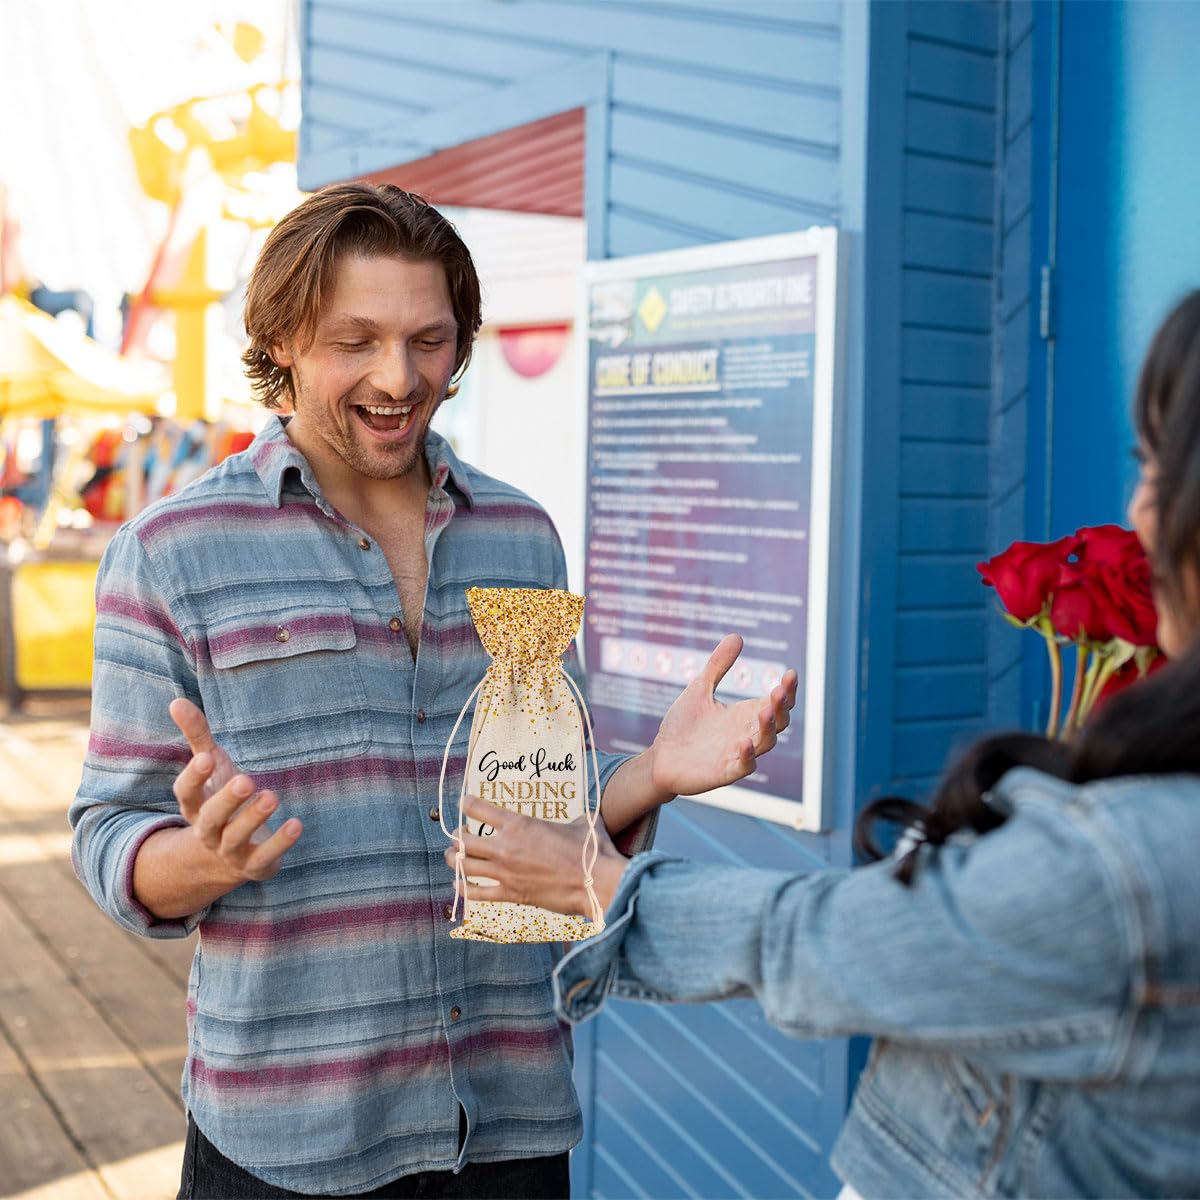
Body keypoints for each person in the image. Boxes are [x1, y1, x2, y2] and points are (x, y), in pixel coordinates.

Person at [68, 182, 797, 1199]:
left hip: (508, 1120)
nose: (398, 377)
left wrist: (646, 781)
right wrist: (199, 858)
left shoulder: (521, 537)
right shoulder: (169, 553)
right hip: (289, 1136)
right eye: (353, 339)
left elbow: (536, 830)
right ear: (281, 339)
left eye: (430, 340)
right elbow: (108, 832)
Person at [448, 290, 1200, 1199]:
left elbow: (846, 943)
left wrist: (598, 878)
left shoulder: (1138, 860)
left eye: (1163, 466)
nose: (1140, 509)